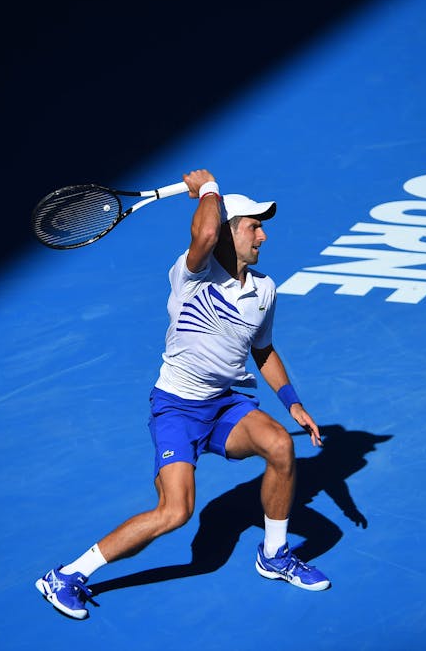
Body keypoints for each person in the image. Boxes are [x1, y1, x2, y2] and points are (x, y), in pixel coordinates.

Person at [35, 169, 330, 620]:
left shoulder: (265, 290)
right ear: (230, 234)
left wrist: (292, 402)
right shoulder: (191, 275)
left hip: (227, 404)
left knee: (279, 445)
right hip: (177, 409)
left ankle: (274, 554)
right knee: (175, 512)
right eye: (254, 225)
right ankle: (68, 575)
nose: (263, 236)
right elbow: (207, 231)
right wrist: (209, 188)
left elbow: (263, 349)